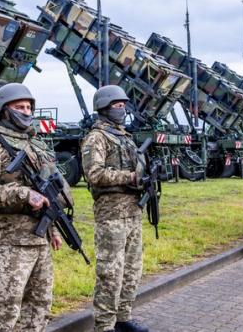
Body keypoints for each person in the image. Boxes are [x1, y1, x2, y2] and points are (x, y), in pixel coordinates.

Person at [0, 83, 70, 332]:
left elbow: (47, 190)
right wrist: (24, 194)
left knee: (39, 306)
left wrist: (52, 229)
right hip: (11, 241)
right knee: (5, 309)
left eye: (28, 107)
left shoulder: (35, 143)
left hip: (39, 240)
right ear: (4, 110)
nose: (26, 112)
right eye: (19, 107)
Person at [81, 85, 148, 332]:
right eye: (117, 105)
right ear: (104, 107)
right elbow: (94, 173)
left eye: (123, 105)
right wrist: (129, 177)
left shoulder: (124, 136)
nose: (122, 109)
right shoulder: (96, 137)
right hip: (111, 215)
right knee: (110, 272)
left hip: (132, 212)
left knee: (132, 269)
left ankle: (123, 317)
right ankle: (104, 325)